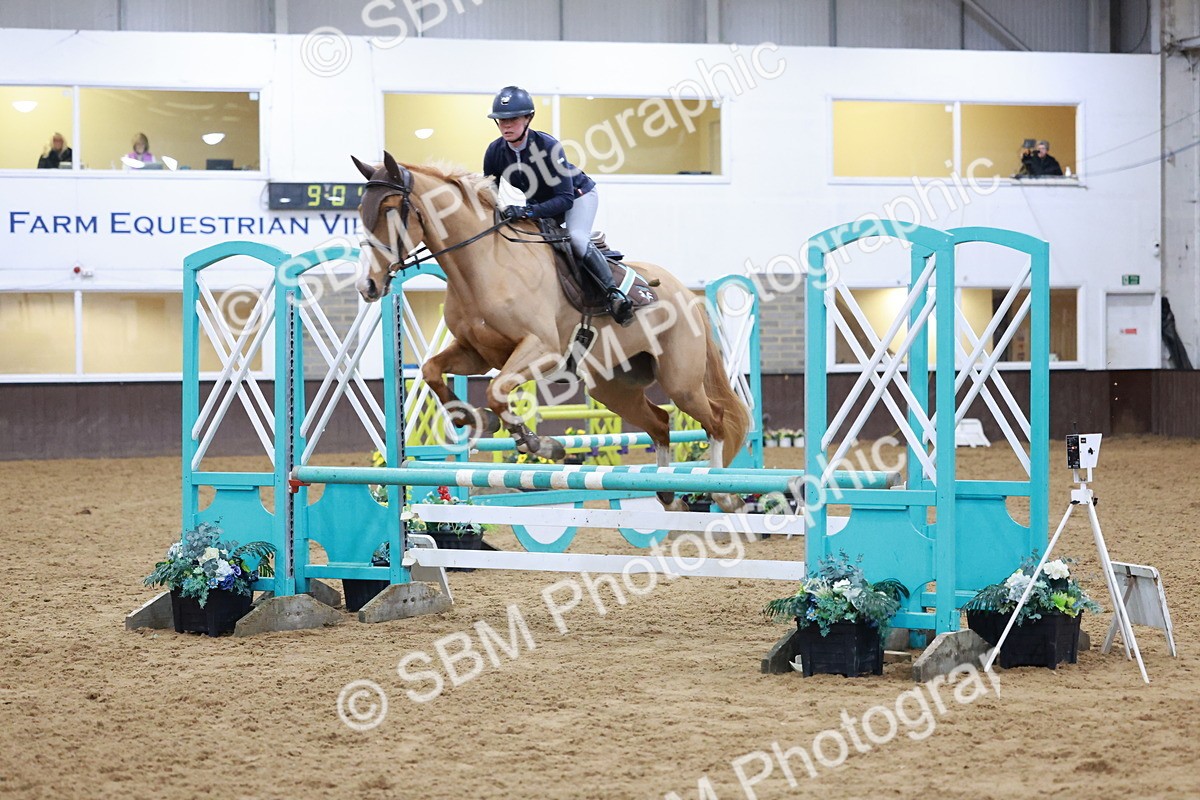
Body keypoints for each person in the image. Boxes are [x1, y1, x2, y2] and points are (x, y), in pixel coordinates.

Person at [482, 85, 633, 325]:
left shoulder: (548, 147)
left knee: (576, 239)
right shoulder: (494, 152)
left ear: (528, 118)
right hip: (540, 202)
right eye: (501, 120)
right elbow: (488, 193)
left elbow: (565, 199)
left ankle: (614, 294)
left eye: (512, 119)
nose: (506, 125)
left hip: (577, 196)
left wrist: (525, 211)